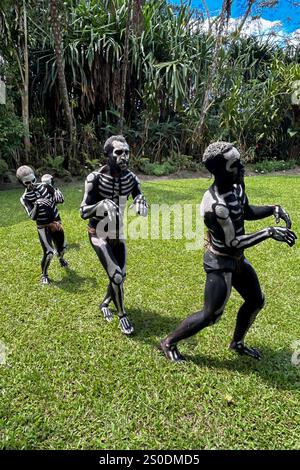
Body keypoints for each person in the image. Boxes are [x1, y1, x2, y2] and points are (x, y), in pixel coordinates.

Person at [160, 141, 297, 362]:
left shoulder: (236, 187)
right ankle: (168, 342)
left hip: (238, 260)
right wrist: (269, 232)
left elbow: (246, 212)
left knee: (255, 300)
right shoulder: (214, 205)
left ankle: (237, 342)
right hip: (220, 261)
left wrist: (273, 208)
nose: (242, 168)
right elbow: (233, 242)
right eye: (235, 165)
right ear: (218, 171)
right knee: (211, 315)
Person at [80, 135, 148, 336]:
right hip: (98, 234)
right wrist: (100, 205)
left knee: (120, 276)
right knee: (116, 275)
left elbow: (138, 195)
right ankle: (122, 315)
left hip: (118, 233)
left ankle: (105, 303)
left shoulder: (131, 178)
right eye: (119, 152)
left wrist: (141, 202)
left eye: (127, 152)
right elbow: (83, 211)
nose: (124, 156)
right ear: (108, 154)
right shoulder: (95, 178)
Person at [16, 166, 68, 285]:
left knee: (62, 249)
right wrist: (37, 204)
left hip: (56, 223)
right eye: (27, 183)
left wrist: (59, 195)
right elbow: (32, 216)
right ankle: (44, 274)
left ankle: (61, 258)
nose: (32, 184)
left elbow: (59, 200)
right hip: (43, 226)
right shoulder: (24, 198)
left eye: (33, 180)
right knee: (48, 252)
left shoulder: (46, 186)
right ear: (21, 183)